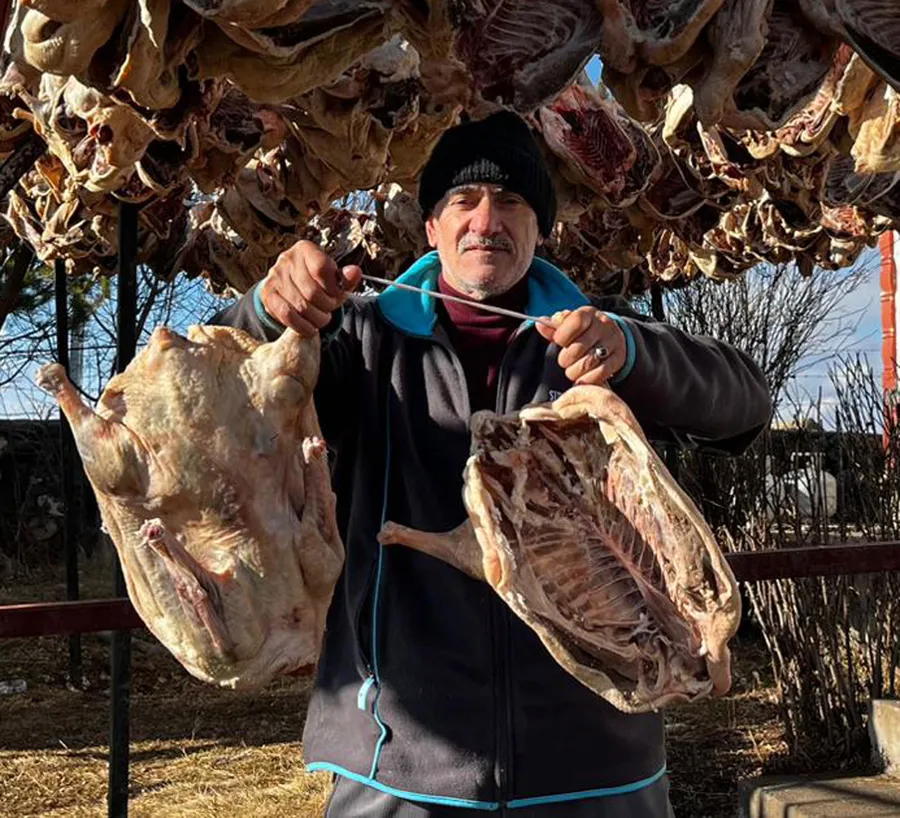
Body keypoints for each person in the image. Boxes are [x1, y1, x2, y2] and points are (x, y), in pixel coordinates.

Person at [214, 111, 772, 817]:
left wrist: (635, 353)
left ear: (541, 230)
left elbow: (745, 402)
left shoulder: (594, 334)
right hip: (401, 769)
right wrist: (265, 313)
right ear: (431, 228)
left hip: (600, 767)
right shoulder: (360, 341)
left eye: (511, 202)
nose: (487, 220)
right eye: (464, 200)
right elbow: (212, 394)